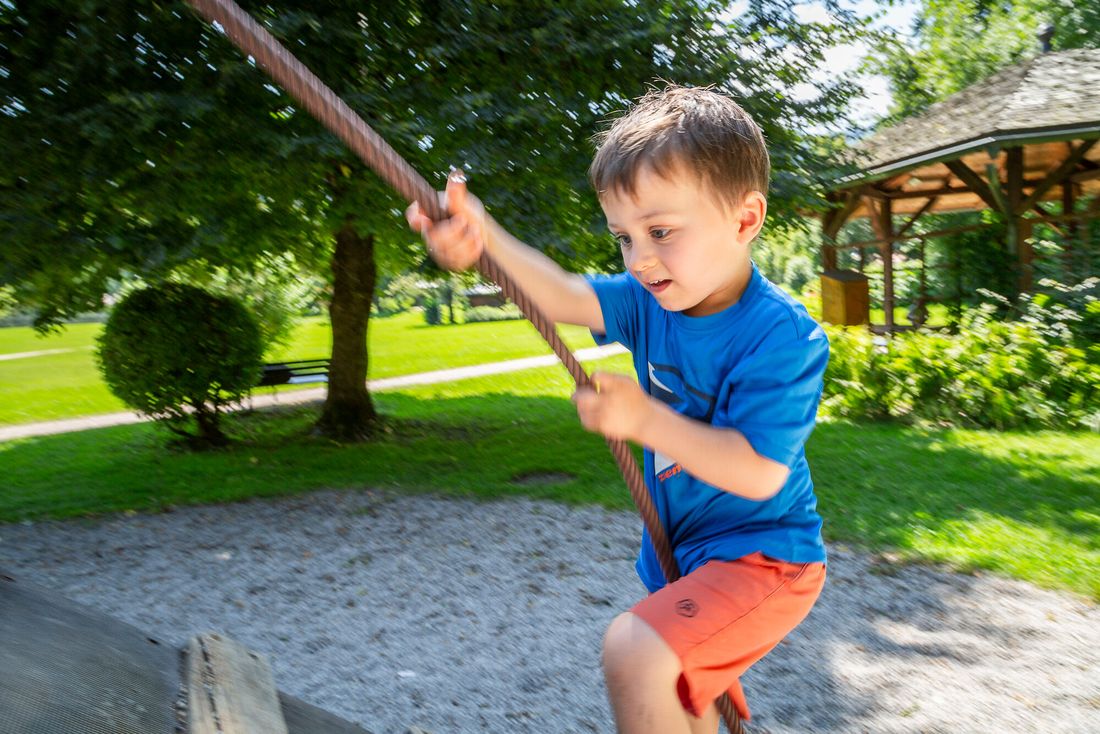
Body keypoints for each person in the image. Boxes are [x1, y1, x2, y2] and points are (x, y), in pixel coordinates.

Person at [407, 84, 829, 734]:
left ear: (745, 220)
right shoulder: (647, 302)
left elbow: (758, 472)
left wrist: (648, 422)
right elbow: (557, 292)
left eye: (660, 231)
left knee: (635, 651)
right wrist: (484, 238)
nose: (640, 260)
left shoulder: (781, 336)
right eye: (624, 239)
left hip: (765, 557)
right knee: (679, 701)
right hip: (685, 558)